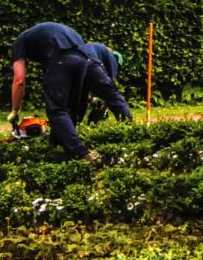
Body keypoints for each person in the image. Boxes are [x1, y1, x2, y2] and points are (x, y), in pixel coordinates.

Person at [7, 21, 127, 160]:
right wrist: (90, 99)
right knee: (71, 108)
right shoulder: (50, 35)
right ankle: (56, 146)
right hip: (84, 59)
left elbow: (19, 80)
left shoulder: (20, 42)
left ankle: (81, 154)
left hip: (61, 58)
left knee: (57, 109)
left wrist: (15, 110)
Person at [80, 41, 135, 124]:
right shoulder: (112, 57)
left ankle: (75, 124)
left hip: (74, 63)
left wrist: (92, 99)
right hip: (90, 63)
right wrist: (106, 104)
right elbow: (109, 85)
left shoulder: (96, 49)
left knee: (79, 98)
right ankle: (127, 123)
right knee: (114, 97)